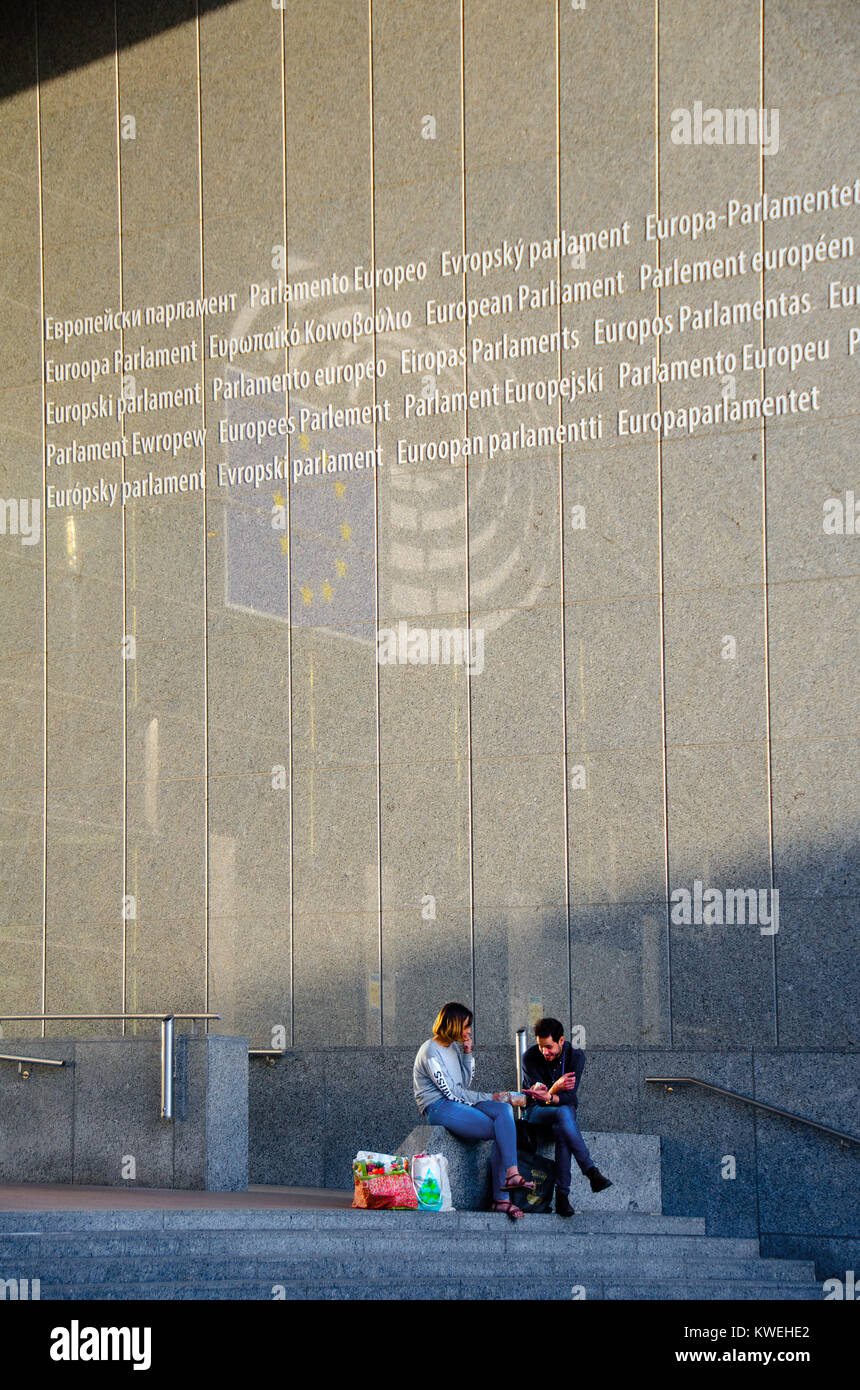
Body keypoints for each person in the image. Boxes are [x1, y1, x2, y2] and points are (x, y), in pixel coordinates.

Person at [413, 1001, 534, 1221]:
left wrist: (468, 1054)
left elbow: (463, 1085)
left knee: (503, 1111)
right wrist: (489, 1096)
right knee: (501, 1128)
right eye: (466, 1025)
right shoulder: (430, 1051)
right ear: (453, 1024)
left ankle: (512, 1173)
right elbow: (450, 1093)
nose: (469, 1031)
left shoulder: (452, 1048)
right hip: (438, 1106)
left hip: (458, 1101)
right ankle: (502, 1199)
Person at [520, 1016, 613, 1217]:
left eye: (549, 1046)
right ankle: (590, 1172)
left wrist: (550, 1094)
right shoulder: (529, 1058)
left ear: (561, 1041)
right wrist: (555, 1089)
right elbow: (537, 1100)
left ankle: (562, 1198)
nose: (545, 1052)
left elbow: (570, 1095)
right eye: (540, 1046)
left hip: (562, 1115)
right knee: (564, 1112)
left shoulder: (575, 1057)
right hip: (535, 1114)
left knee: (563, 1123)